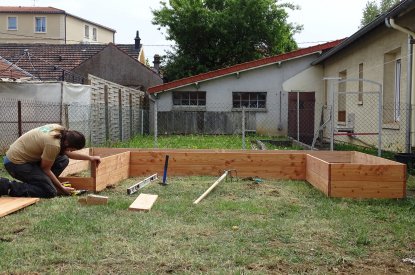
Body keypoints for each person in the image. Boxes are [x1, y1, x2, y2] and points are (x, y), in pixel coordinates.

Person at [0, 124, 100, 198]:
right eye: (72, 149)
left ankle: (44, 183)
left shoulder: (60, 130)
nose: (71, 151)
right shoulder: (53, 144)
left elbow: (67, 153)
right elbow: (46, 169)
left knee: (63, 160)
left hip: (27, 158)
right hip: (15, 163)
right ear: (67, 143)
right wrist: (61, 188)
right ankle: (5, 185)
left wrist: (90, 158)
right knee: (50, 192)